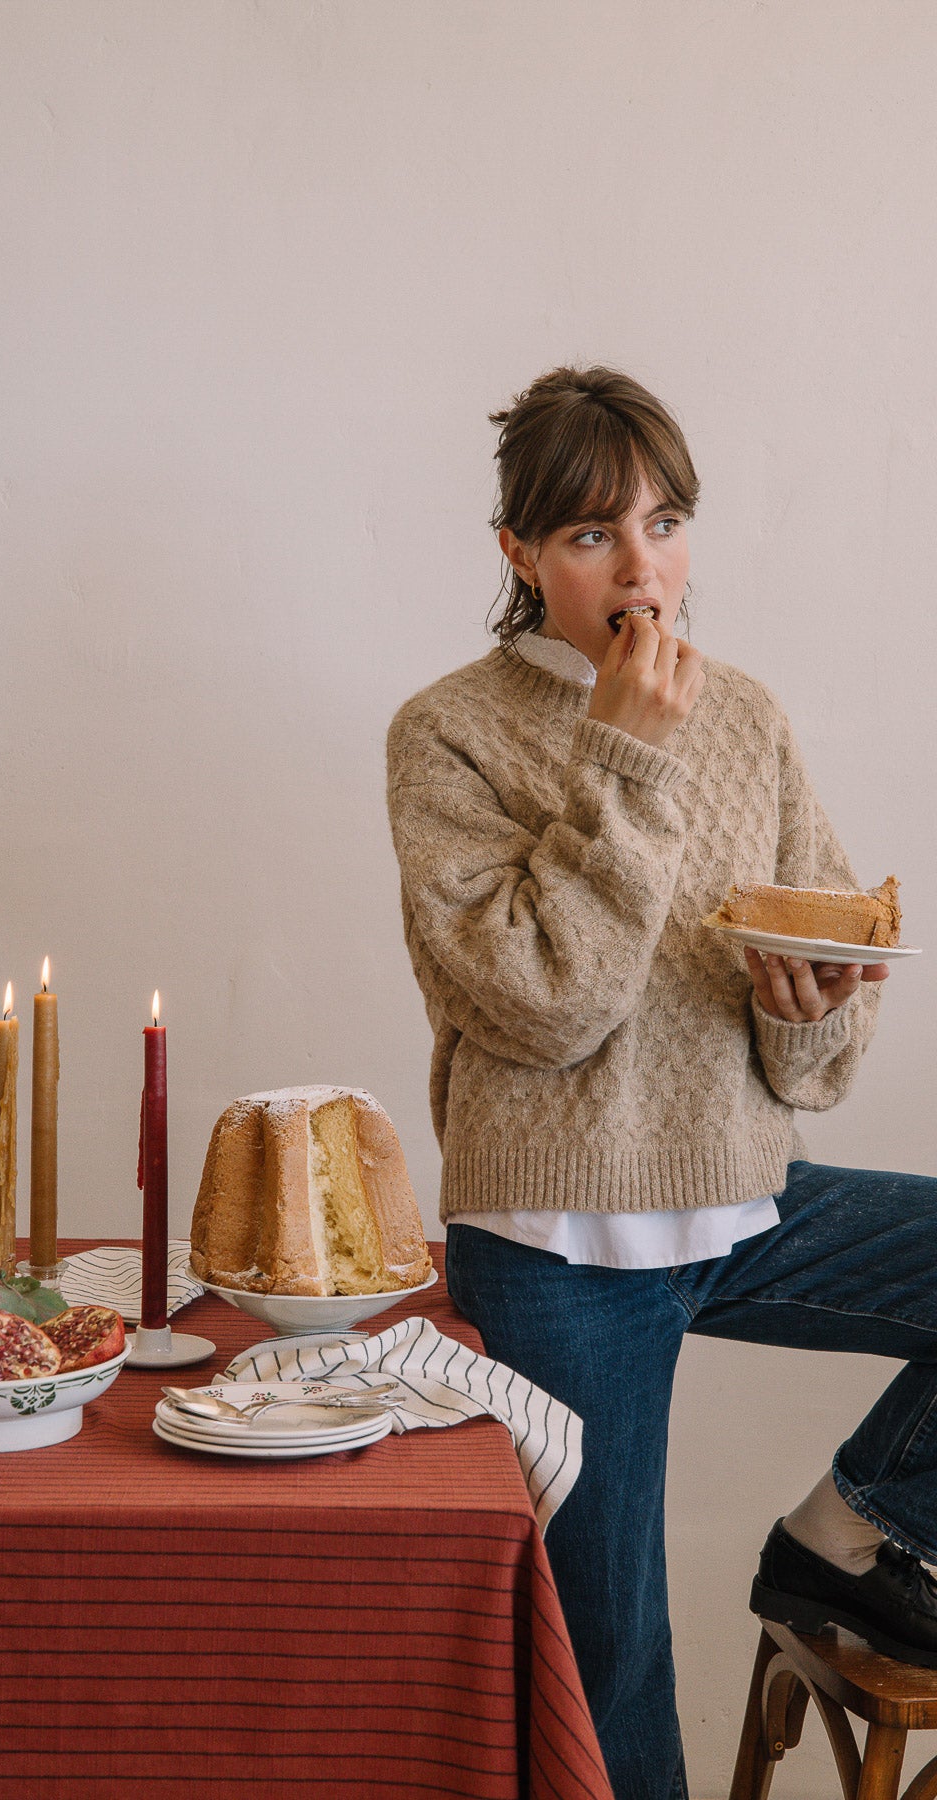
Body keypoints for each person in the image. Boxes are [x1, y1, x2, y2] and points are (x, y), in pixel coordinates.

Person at [385, 365, 937, 1800]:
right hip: (559, 1251)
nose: (644, 567)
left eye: (666, 521)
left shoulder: (747, 717)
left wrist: (807, 1007)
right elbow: (543, 1008)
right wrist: (623, 756)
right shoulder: (447, 734)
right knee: (613, 1654)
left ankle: (842, 1531)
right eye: (589, 535)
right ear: (516, 555)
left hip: (740, 1200)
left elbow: (811, 1043)